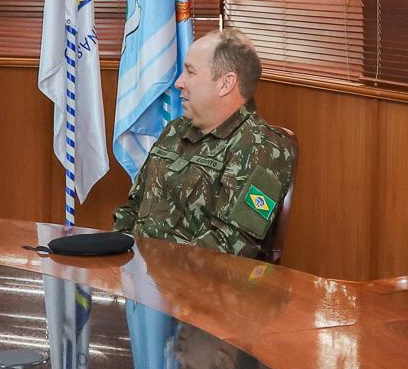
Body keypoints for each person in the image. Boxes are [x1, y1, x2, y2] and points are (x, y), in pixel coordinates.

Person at [112, 29, 295, 261]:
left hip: (198, 289)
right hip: (140, 278)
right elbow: (133, 209)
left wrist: (153, 272)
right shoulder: (175, 131)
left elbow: (232, 247)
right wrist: (118, 261)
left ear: (225, 84)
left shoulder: (261, 148)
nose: (179, 82)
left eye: (190, 71)